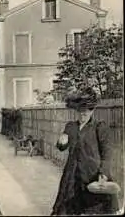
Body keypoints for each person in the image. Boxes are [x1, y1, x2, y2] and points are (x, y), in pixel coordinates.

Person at [51, 87, 119, 215]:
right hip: (72, 177)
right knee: (68, 210)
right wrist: (61, 141)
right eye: (81, 111)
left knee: (94, 210)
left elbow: (107, 154)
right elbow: (61, 147)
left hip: (92, 176)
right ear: (77, 110)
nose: (83, 114)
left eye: (86, 111)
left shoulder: (100, 127)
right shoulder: (71, 126)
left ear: (92, 110)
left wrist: (103, 173)